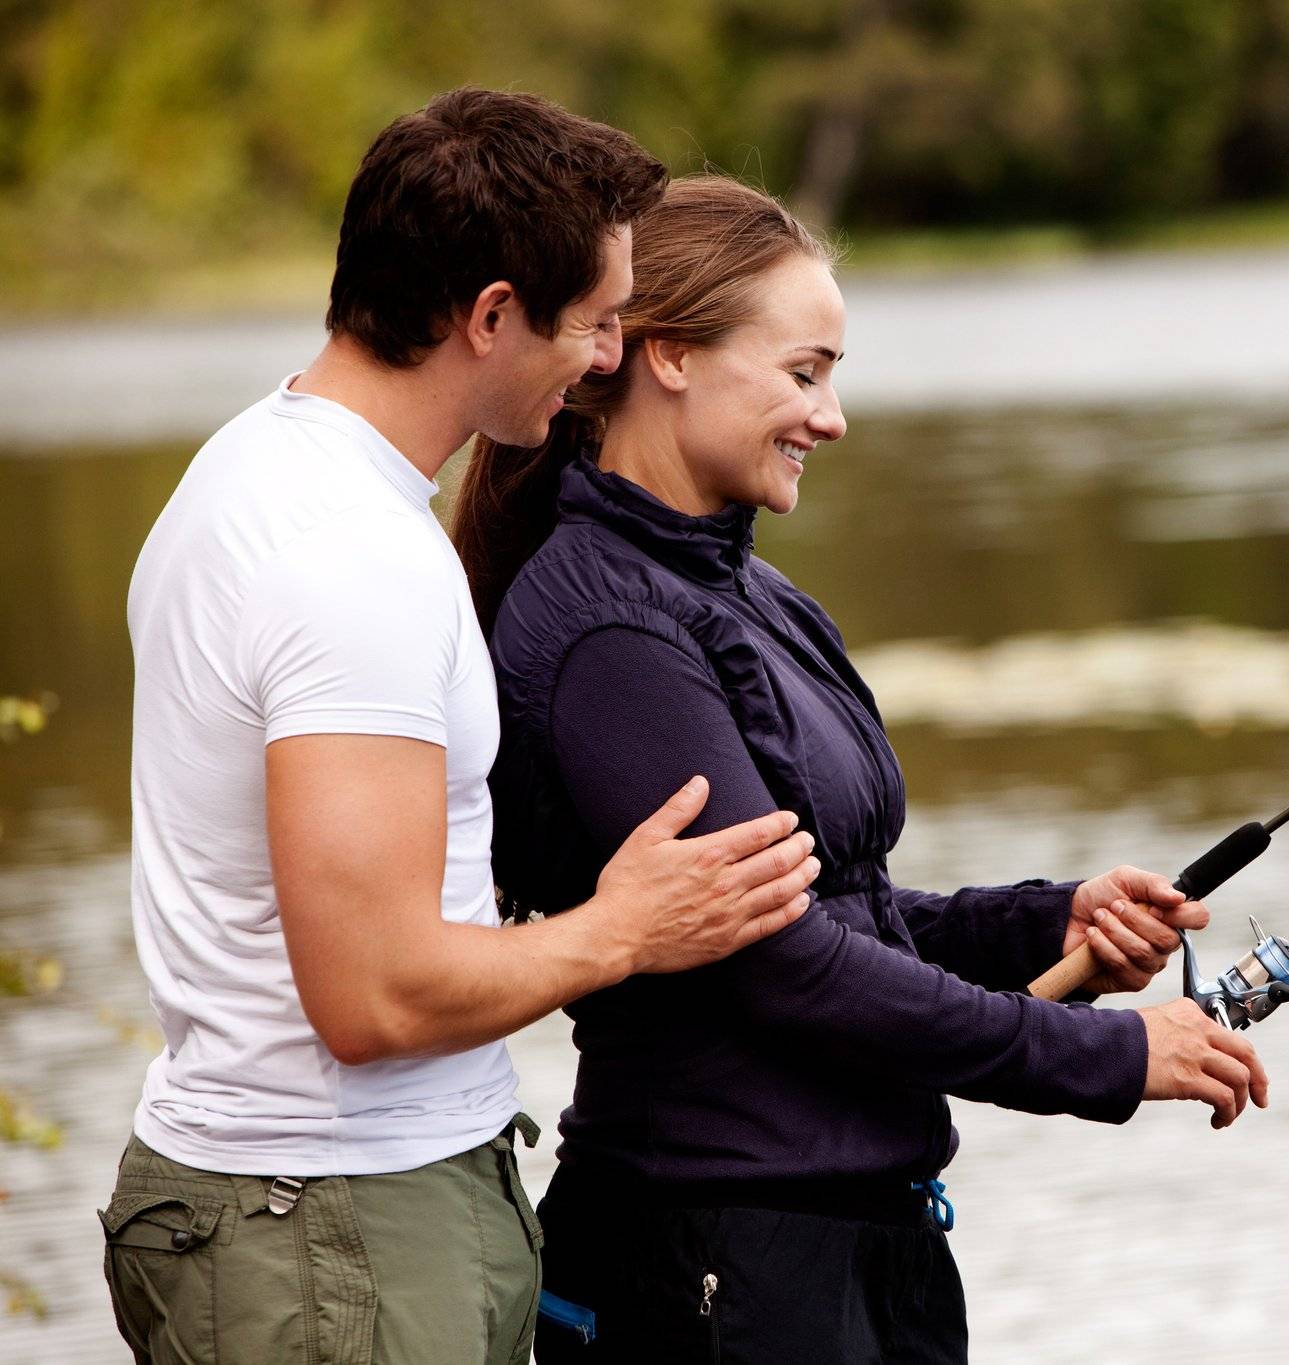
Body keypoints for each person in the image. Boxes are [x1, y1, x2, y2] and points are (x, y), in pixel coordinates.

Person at [458, 174, 1272, 1363]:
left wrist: (1048, 926)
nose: (830, 417)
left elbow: (854, 913)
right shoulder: (612, 630)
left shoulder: (753, 592)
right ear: (670, 355)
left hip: (855, 1245)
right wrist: (1099, 1055)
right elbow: (782, 966)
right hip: (715, 1262)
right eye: (804, 373)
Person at [103, 91, 819, 1365]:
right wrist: (625, 932)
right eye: (596, 324)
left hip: (318, 1214)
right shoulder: (352, 560)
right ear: (490, 316)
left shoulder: (253, 471)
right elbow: (370, 995)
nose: (607, 361)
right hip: (334, 1229)